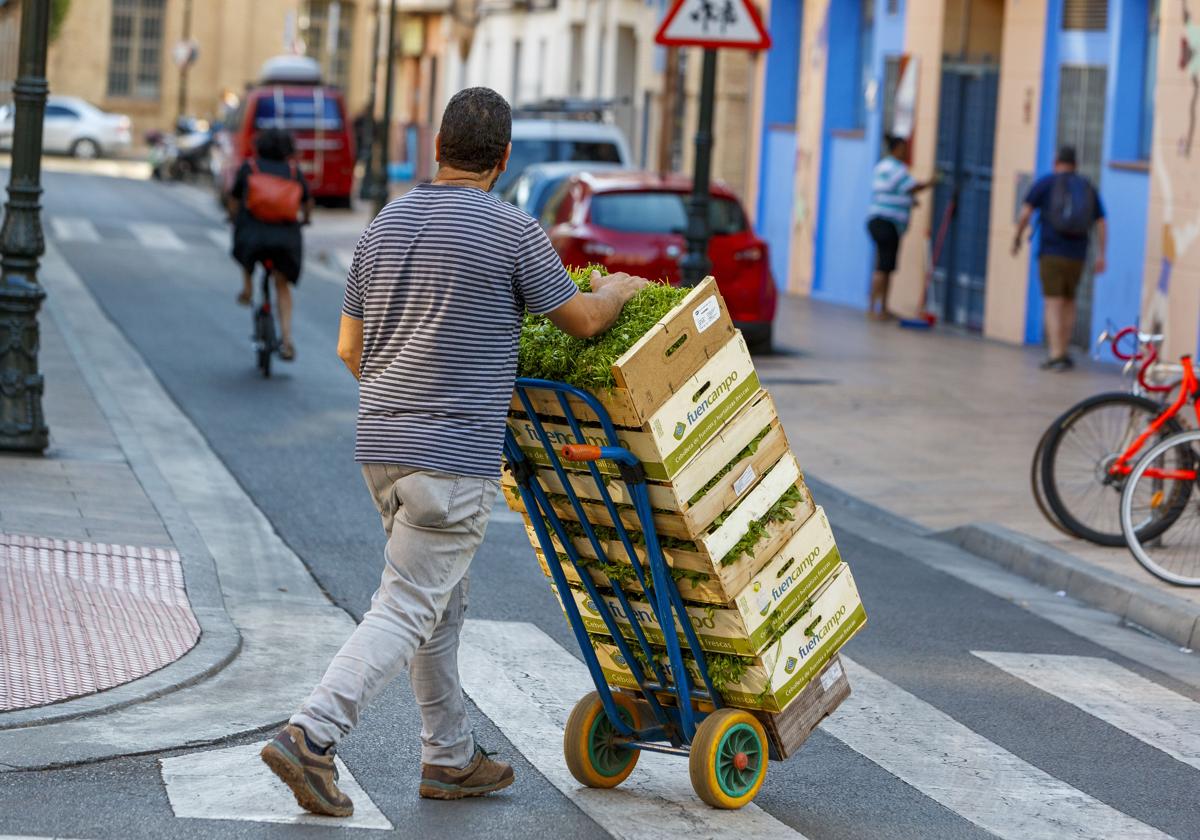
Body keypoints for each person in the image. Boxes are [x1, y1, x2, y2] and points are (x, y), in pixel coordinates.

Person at [258, 87, 650, 816]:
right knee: (409, 605)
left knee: (438, 603)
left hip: (381, 446)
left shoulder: (383, 225)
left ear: (435, 148)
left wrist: (400, 398)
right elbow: (582, 321)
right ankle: (312, 735)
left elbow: (350, 347)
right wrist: (621, 289)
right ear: (503, 160)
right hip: (452, 456)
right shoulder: (512, 232)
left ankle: (449, 756)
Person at [1012, 146, 1107, 371]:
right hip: (1078, 254)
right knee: (1069, 301)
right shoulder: (1087, 187)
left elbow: (1025, 213)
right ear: (1075, 164)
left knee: (1053, 302)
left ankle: (1056, 353)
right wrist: (1102, 254)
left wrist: (1017, 237)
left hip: (1052, 252)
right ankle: (1064, 348)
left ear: (1056, 162)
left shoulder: (1046, 183)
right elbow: (1101, 223)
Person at [227, 128, 312, 361]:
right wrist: (305, 219)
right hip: (285, 238)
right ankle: (287, 340)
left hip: (254, 235)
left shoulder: (250, 167)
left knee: (245, 245)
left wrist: (234, 217)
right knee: (281, 284)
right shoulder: (294, 172)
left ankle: (247, 287)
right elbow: (307, 203)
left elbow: (234, 199)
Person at [865, 135, 934, 319]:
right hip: (887, 223)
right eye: (903, 149)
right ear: (896, 149)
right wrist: (931, 182)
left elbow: (895, 191)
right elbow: (912, 187)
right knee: (883, 266)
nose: (905, 152)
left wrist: (909, 201)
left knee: (886, 266)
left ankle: (882, 307)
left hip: (878, 221)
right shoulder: (896, 169)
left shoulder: (881, 167)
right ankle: (874, 308)